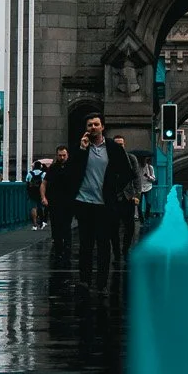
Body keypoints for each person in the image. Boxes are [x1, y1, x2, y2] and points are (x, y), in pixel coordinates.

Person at [70, 111, 136, 290]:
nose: (93, 127)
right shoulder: (80, 148)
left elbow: (127, 173)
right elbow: (71, 171)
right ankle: (84, 280)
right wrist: (82, 149)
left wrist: (113, 190)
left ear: (103, 127)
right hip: (84, 202)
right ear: (86, 129)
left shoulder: (114, 148)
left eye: (96, 124)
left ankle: (101, 281)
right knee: (85, 244)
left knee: (103, 243)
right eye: (90, 125)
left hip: (104, 204)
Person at [43, 145, 75, 267]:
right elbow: (44, 183)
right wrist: (43, 197)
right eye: (60, 155)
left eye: (64, 155)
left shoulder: (72, 167)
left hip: (68, 202)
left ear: (67, 155)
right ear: (57, 155)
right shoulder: (53, 168)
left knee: (66, 226)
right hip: (55, 202)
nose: (62, 157)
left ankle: (66, 251)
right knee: (56, 227)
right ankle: (58, 250)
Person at [111, 135, 138, 263]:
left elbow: (137, 178)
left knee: (130, 227)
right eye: (117, 144)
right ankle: (116, 253)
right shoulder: (108, 159)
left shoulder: (131, 159)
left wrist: (137, 195)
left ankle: (125, 249)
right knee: (113, 227)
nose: (119, 146)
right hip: (113, 198)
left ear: (124, 145)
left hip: (128, 197)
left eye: (121, 144)